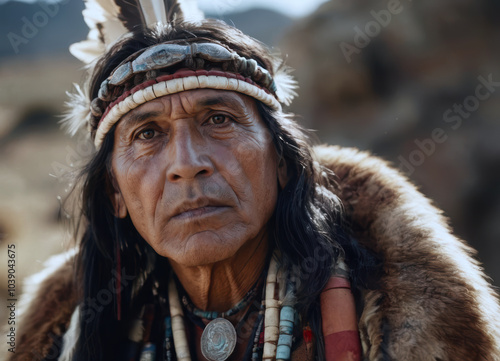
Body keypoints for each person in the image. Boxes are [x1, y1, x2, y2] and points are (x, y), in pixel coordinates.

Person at [11, 1, 500, 360]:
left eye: (219, 120)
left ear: (282, 162)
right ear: (115, 193)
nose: (188, 163)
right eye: (147, 134)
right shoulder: (73, 336)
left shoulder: (390, 301)